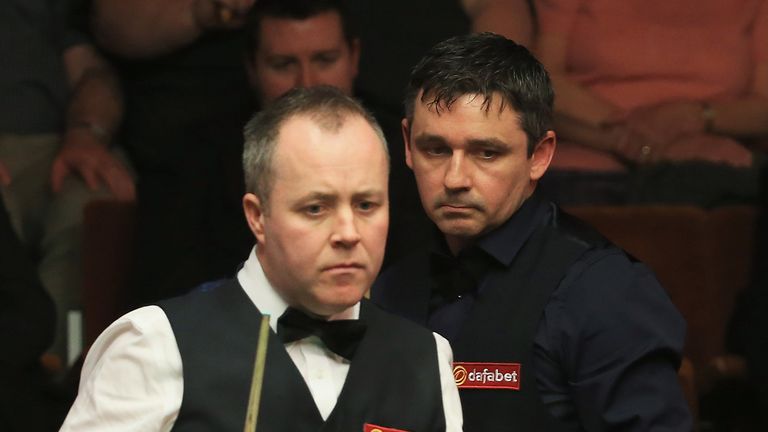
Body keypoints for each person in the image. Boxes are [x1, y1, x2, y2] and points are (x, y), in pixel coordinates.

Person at [60, 86, 462, 431]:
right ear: (257, 216)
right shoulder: (154, 346)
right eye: (315, 208)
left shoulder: (426, 358)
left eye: (366, 205)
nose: (348, 233)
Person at [372, 33, 691, 431]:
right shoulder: (388, 283)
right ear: (407, 145)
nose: (455, 179)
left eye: (486, 153)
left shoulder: (604, 292)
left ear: (539, 155)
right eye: (436, 149)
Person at [533, 0, 768, 205]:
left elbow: (762, 107)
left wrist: (694, 117)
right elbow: (541, 82)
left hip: (711, 165)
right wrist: (630, 139)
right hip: (588, 158)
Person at [1, 0, 133, 363]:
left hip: (52, 144)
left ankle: (56, 364)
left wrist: (86, 132)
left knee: (96, 193)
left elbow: (91, 71)